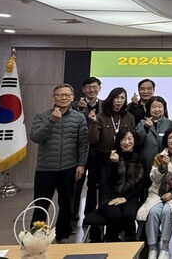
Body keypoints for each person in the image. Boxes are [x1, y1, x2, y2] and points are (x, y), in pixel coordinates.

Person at [30, 84, 88, 243]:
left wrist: (81, 164)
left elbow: (83, 143)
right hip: (45, 169)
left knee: (67, 205)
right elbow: (35, 138)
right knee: (41, 204)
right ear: (53, 96)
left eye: (67, 95)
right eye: (60, 95)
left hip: (69, 168)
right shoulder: (41, 116)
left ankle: (62, 236)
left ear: (72, 97)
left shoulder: (79, 117)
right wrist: (51, 121)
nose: (64, 98)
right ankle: (37, 236)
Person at [137, 127, 172, 259]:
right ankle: (152, 247)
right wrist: (162, 167)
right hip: (158, 193)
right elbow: (154, 178)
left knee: (167, 211)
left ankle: (164, 247)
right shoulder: (159, 156)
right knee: (153, 212)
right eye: (171, 137)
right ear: (166, 140)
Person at [87, 86, 137, 239]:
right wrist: (94, 123)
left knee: (122, 187)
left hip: (123, 158)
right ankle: (100, 232)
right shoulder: (101, 116)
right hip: (103, 158)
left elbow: (132, 137)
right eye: (117, 97)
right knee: (103, 190)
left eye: (122, 98)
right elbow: (93, 140)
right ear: (111, 98)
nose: (119, 101)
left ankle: (120, 229)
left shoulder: (129, 117)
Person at [97, 126, 146, 242]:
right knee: (115, 215)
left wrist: (125, 198)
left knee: (128, 214)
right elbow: (107, 182)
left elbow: (141, 184)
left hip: (131, 197)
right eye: (123, 139)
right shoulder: (112, 157)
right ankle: (111, 243)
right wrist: (113, 164)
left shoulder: (139, 158)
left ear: (134, 140)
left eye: (129, 139)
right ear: (118, 142)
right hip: (110, 196)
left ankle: (130, 245)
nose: (127, 142)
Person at [70, 76, 102, 231]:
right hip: (79, 152)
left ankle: (89, 216)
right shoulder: (74, 106)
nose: (92, 90)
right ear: (83, 90)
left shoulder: (104, 106)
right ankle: (72, 217)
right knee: (76, 186)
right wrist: (80, 110)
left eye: (95, 87)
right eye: (88, 87)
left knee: (93, 186)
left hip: (97, 151)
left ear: (99, 89)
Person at [135, 96, 172, 174]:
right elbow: (137, 141)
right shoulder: (142, 123)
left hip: (165, 163)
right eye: (153, 107)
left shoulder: (170, 123)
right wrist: (145, 127)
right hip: (146, 164)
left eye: (160, 107)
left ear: (164, 108)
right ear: (149, 109)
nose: (157, 109)